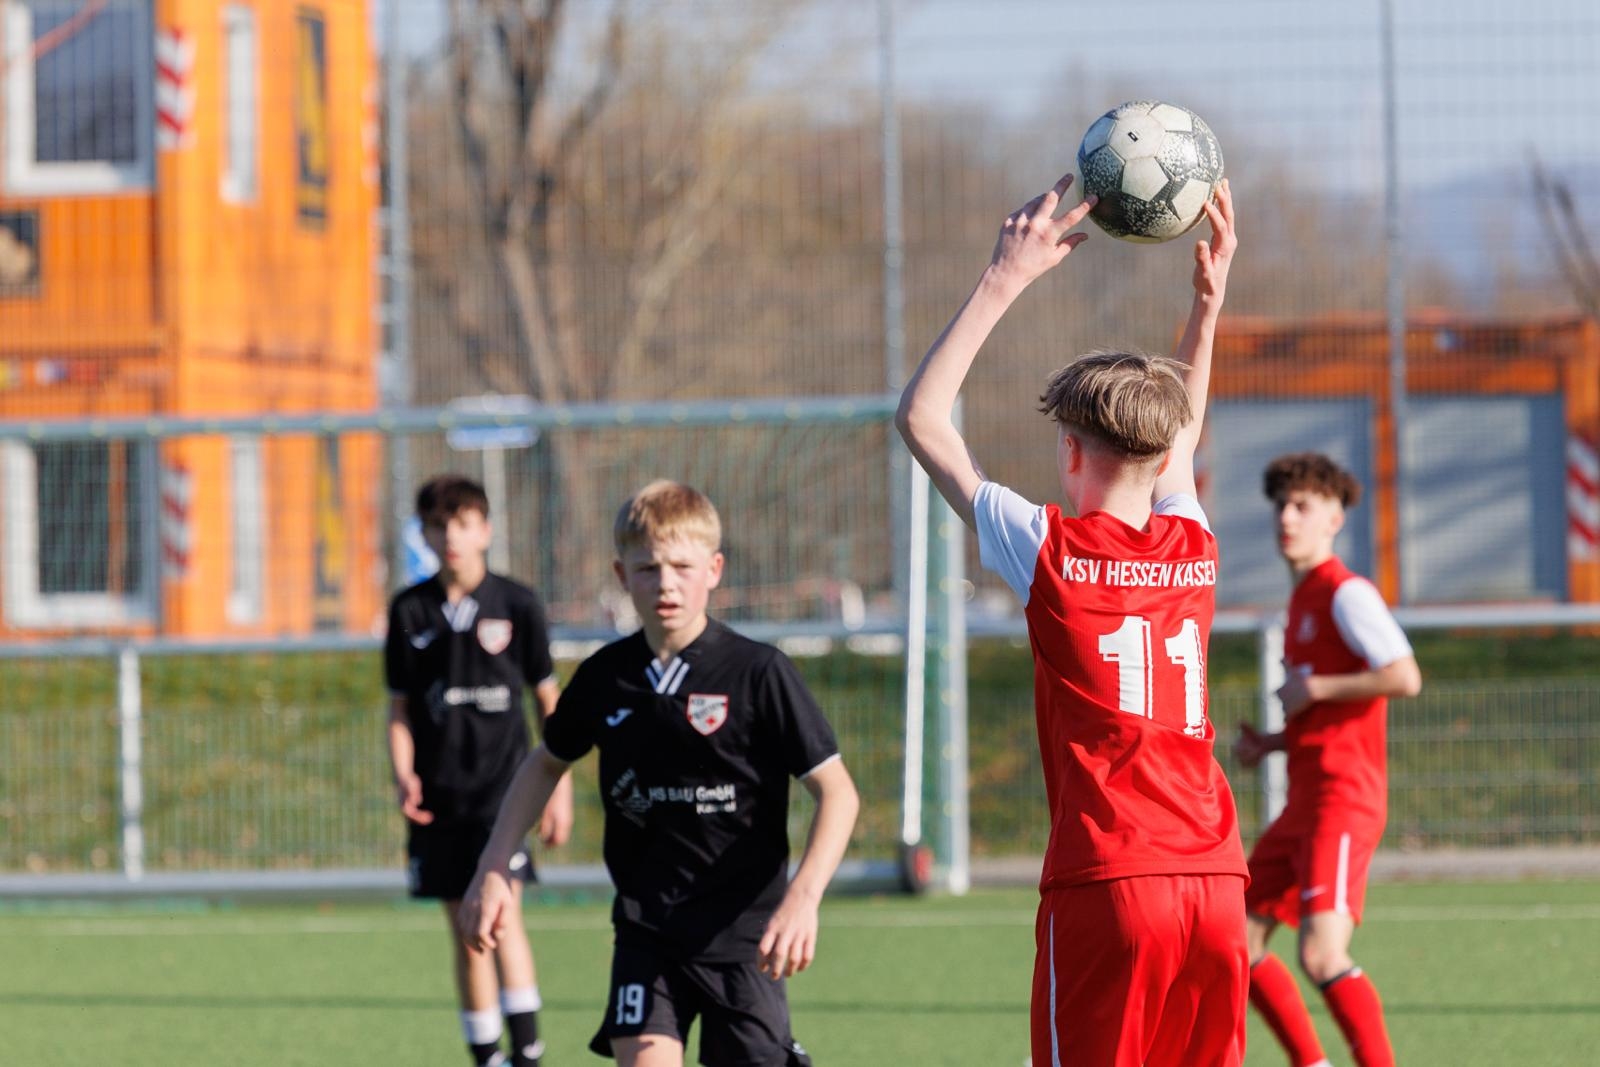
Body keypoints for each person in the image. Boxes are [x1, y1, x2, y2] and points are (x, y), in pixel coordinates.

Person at [897, 172, 1246, 1066]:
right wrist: (1207, 306)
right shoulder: (1193, 545)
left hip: (1110, 878)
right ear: (1165, 457)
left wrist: (1003, 278)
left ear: (1068, 451)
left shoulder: (1048, 547)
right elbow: (1182, 439)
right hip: (1216, 880)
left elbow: (923, 419)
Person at [458, 479, 860, 1067]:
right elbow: (545, 764)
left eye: (682, 566)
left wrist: (804, 897)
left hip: (743, 936)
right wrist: (494, 864)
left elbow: (838, 793)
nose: (666, 583)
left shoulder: (758, 672)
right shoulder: (606, 676)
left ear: (714, 570)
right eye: (648, 569)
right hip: (647, 930)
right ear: (622, 576)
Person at [1234, 453, 1422, 1067]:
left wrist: (1315, 688)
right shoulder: (1303, 602)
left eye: (1302, 506)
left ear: (1334, 519)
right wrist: (1272, 743)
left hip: (1343, 799)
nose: (1286, 518)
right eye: (1280, 506)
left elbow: (1404, 676)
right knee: (1237, 940)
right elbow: (1324, 719)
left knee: (1321, 954)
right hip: (1304, 803)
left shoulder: (1347, 593)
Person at [385, 474, 575, 1067]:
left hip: (505, 794)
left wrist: (559, 790)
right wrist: (404, 774)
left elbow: (548, 701)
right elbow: (399, 710)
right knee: (466, 932)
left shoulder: (517, 604)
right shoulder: (410, 609)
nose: (451, 536)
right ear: (424, 534)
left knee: (501, 917)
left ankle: (528, 1053)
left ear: (486, 530)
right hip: (442, 797)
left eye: (463, 524)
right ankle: (489, 1057)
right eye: (439, 526)